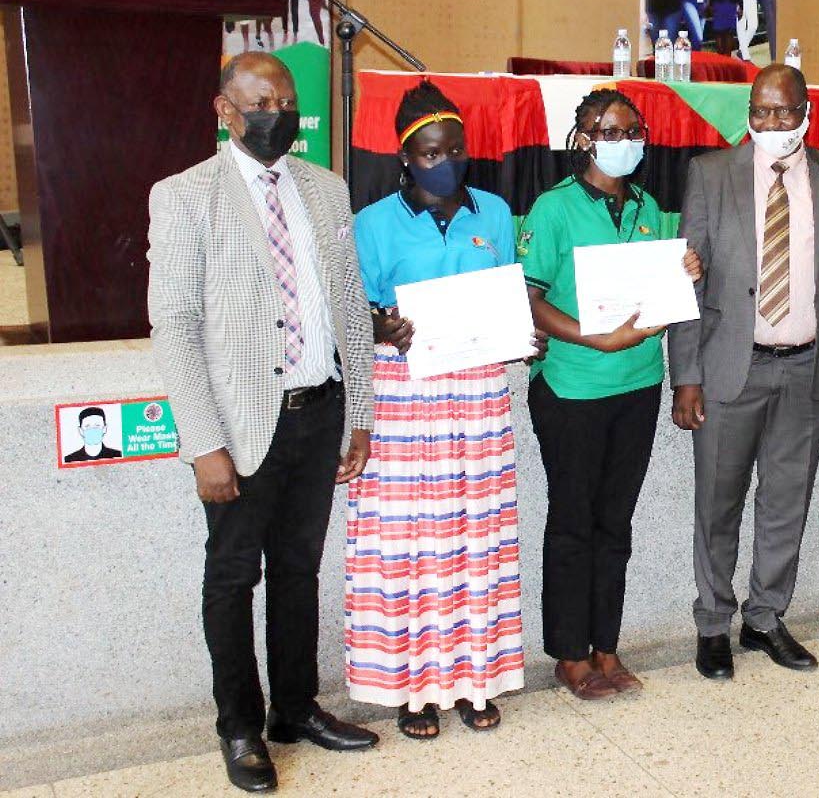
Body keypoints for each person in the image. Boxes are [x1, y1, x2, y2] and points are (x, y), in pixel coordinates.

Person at [148, 52, 377, 793]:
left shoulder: (327, 188)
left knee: (300, 571)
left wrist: (361, 414)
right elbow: (174, 324)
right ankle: (240, 726)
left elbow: (348, 306)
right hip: (241, 429)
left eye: (283, 99)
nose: (274, 110)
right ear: (225, 109)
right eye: (258, 101)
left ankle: (296, 709)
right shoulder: (185, 196)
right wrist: (203, 443)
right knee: (232, 578)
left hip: (318, 413)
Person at [345, 82, 544, 739]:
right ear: (407, 155)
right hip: (406, 399)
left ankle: (473, 680)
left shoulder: (493, 213)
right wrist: (383, 326)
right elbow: (353, 313)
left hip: (478, 403)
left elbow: (506, 296)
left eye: (455, 148)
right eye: (431, 151)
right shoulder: (371, 224)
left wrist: (523, 336)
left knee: (474, 541)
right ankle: (413, 690)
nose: (445, 159)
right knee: (412, 547)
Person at [669, 65, 819, 681]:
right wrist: (686, 375)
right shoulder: (710, 175)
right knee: (718, 503)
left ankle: (764, 618)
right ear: (749, 114)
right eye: (761, 112)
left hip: (806, 371)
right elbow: (688, 284)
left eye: (785, 112)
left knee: (787, 503)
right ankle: (713, 624)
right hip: (731, 368)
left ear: (808, 113)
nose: (772, 124)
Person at [521, 90, 701, 701]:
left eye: (633, 130)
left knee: (614, 523)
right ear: (584, 138)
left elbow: (669, 289)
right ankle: (569, 655)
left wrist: (687, 272)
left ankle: (606, 645)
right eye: (609, 130)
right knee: (573, 521)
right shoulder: (554, 209)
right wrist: (590, 338)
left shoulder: (652, 209)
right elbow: (530, 298)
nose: (624, 140)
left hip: (638, 385)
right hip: (572, 387)